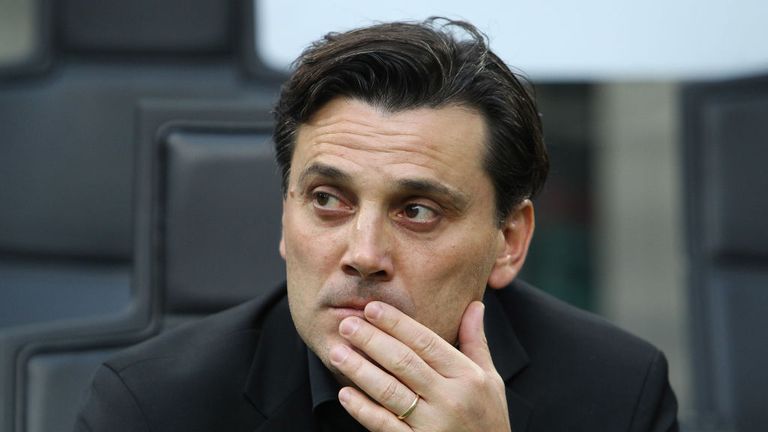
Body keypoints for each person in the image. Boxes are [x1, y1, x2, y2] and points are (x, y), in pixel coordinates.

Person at [74, 18, 678, 432]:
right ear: (285, 218)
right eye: (328, 201)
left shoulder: (616, 392)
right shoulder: (152, 407)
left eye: (417, 211)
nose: (363, 254)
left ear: (509, 241)